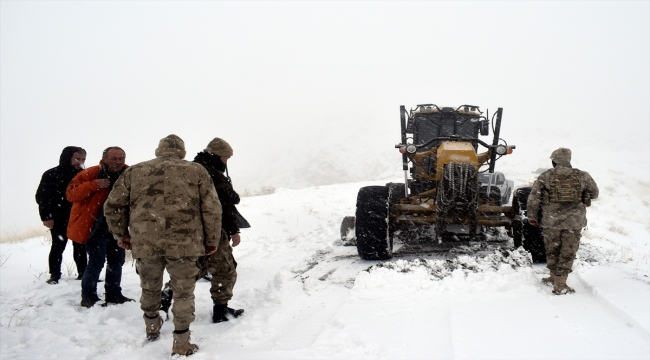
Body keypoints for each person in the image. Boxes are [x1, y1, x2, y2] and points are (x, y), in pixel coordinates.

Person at [104, 135, 222, 356]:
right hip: (185, 244)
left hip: (147, 242)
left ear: (159, 150)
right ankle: (182, 342)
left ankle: (151, 326)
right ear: (182, 151)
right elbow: (212, 209)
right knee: (184, 293)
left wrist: (121, 234)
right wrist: (211, 240)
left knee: (149, 287)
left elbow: (113, 206)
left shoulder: (135, 171)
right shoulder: (196, 171)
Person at [66, 146, 133, 307]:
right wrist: (93, 185)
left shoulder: (130, 174)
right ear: (104, 159)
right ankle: (88, 296)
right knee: (96, 262)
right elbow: (71, 194)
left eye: (121, 158)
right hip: (95, 227)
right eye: (114, 158)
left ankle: (113, 294)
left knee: (117, 261)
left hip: (118, 228)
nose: (118, 162)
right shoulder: (90, 173)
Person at [527, 147, 599, 295]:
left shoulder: (545, 176)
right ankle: (560, 282)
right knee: (568, 251)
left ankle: (555, 279)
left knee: (552, 249)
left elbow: (533, 198)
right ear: (568, 160)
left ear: (554, 161)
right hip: (573, 222)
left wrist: (532, 216)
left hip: (551, 221)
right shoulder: (583, 176)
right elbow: (595, 193)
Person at [192, 137, 245, 322]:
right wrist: (233, 231)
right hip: (213, 228)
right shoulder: (212, 173)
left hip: (190, 230)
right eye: (226, 157)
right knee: (225, 269)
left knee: (191, 268)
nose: (227, 161)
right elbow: (224, 206)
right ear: (218, 155)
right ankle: (221, 311)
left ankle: (165, 299)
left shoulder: (193, 168)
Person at [35, 146, 88, 285]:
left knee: (80, 246)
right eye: (77, 158)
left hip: (78, 218)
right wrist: (46, 217)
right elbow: (42, 197)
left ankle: (83, 273)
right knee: (58, 246)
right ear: (67, 157)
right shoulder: (51, 174)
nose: (80, 162)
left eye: (83, 159)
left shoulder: (84, 175)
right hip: (58, 217)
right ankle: (55, 275)